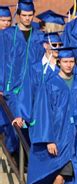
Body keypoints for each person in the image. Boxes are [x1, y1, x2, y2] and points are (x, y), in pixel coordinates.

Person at [20, 47, 77, 184]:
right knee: (58, 178)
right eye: (65, 61)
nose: (69, 65)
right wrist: (48, 139)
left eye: (72, 62)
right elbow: (43, 113)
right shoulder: (50, 84)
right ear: (59, 62)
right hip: (59, 137)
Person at [0, 0, 44, 153]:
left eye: (30, 15)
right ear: (18, 15)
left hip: (31, 88)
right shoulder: (7, 35)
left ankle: (23, 157)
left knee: (28, 122)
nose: (27, 18)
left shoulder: (39, 36)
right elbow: (2, 58)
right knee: (13, 123)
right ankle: (12, 153)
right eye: (24, 15)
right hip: (11, 87)